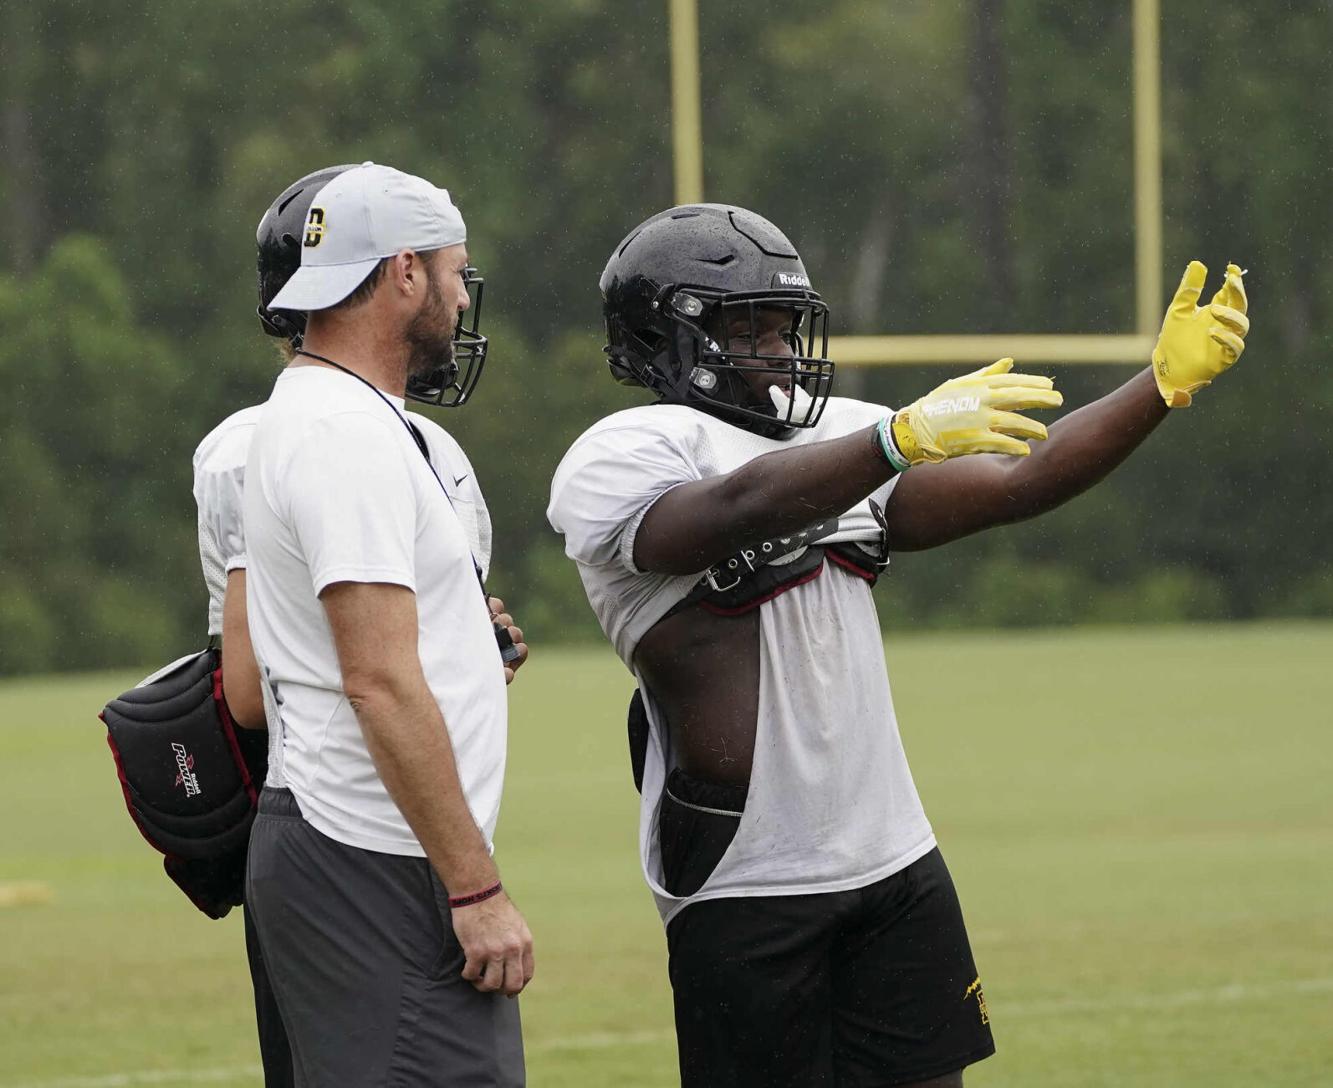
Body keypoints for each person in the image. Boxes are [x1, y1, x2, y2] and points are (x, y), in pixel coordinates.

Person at [547, 203, 1249, 1086]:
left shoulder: (841, 432)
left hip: (891, 855)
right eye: (745, 329)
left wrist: (1156, 385)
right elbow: (723, 516)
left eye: (782, 327)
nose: (773, 351)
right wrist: (889, 443)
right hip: (748, 877)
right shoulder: (627, 449)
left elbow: (1014, 484)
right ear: (661, 338)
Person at [190, 163, 527, 1084]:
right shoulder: (344, 431)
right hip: (375, 851)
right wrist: (476, 887)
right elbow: (376, 680)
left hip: (360, 844)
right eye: (454, 272)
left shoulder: (325, 412)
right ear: (403, 271)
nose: (462, 297)